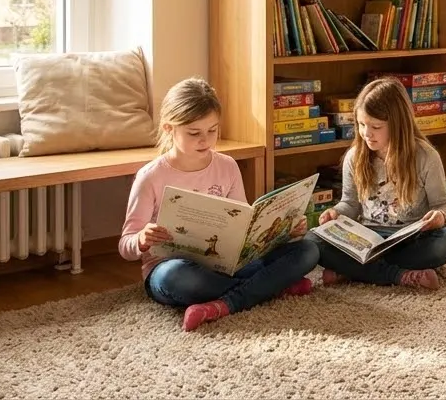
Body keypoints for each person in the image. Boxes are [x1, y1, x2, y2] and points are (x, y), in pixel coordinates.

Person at [119, 78, 319, 332]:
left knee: (308, 249)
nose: (206, 140)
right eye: (194, 133)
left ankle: (224, 304)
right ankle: (271, 287)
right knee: (177, 278)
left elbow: (245, 227)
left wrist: (283, 231)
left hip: (231, 268)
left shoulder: (227, 166)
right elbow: (126, 246)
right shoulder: (151, 176)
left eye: (212, 130)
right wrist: (141, 239)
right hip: (174, 269)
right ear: (169, 128)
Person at [311, 77, 446, 289]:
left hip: (407, 240)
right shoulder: (355, 157)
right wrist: (335, 213)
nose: (366, 133)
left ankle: (354, 270)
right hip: (366, 238)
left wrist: (440, 218)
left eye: (376, 126)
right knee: (313, 241)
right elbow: (350, 204)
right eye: (362, 125)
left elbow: (443, 204)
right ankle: (399, 275)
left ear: (398, 124)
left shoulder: (426, 157)